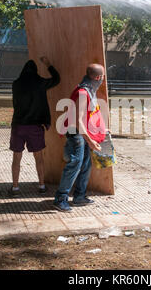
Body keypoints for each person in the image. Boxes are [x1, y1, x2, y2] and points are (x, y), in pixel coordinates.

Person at [53, 63, 107, 212]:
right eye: (102, 76)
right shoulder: (83, 92)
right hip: (76, 132)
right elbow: (78, 121)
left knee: (85, 164)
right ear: (97, 77)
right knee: (75, 164)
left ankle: (79, 196)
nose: (103, 79)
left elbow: (90, 116)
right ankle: (60, 198)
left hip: (82, 132)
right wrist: (91, 142)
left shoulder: (89, 90)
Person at [9, 57, 60, 196]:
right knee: (39, 158)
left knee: (16, 158)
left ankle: (15, 188)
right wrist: (49, 65)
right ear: (36, 71)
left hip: (18, 125)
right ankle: (42, 186)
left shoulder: (16, 84)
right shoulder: (40, 83)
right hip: (35, 127)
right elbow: (56, 79)